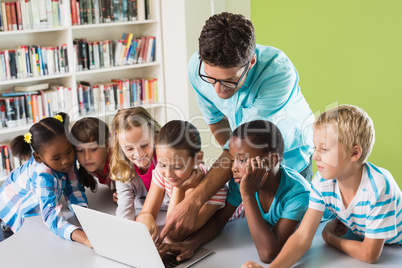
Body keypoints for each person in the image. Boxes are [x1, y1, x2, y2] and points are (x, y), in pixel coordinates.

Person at [160, 12, 315, 241]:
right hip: (247, 161)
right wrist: (239, 160)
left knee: (288, 243)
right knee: (246, 236)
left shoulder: (277, 73)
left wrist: (194, 201)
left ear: (250, 62)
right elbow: (216, 121)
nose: (218, 91)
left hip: (291, 162)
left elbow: (249, 137)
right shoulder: (197, 67)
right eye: (211, 79)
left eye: (229, 80)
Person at [242, 105, 402, 268]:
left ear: (354, 154)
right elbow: (303, 236)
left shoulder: (379, 187)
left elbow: (369, 255)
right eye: (315, 147)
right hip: (366, 237)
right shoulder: (323, 181)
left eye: (324, 149)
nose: (315, 156)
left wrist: (330, 237)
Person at [158, 120, 311, 263]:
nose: (233, 168)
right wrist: (192, 244)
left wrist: (247, 194)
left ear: (271, 161)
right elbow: (219, 220)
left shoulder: (297, 195)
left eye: (242, 160)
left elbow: (268, 254)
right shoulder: (242, 181)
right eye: (232, 159)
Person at [0, 113, 91, 247]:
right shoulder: (42, 176)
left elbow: (74, 189)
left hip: (33, 213)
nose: (66, 160)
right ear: (38, 158)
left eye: (69, 151)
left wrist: (85, 217)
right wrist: (85, 239)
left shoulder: (67, 161)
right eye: (56, 158)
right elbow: (52, 219)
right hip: (8, 218)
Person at [136, 120, 227, 242]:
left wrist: (179, 188)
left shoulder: (215, 188)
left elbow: (173, 234)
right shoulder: (162, 171)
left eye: (178, 167)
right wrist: (145, 220)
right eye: (162, 164)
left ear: (198, 158)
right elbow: (146, 212)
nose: (168, 174)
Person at [110, 107, 168, 220]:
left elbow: (169, 202)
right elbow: (124, 213)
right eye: (129, 149)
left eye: (144, 145)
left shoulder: (167, 160)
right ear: (120, 147)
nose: (138, 154)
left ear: (155, 136)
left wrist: (137, 202)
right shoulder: (123, 167)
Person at [71, 117, 116, 201]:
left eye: (93, 149)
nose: (87, 157)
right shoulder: (91, 166)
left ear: (106, 146)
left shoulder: (118, 162)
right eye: (80, 150)